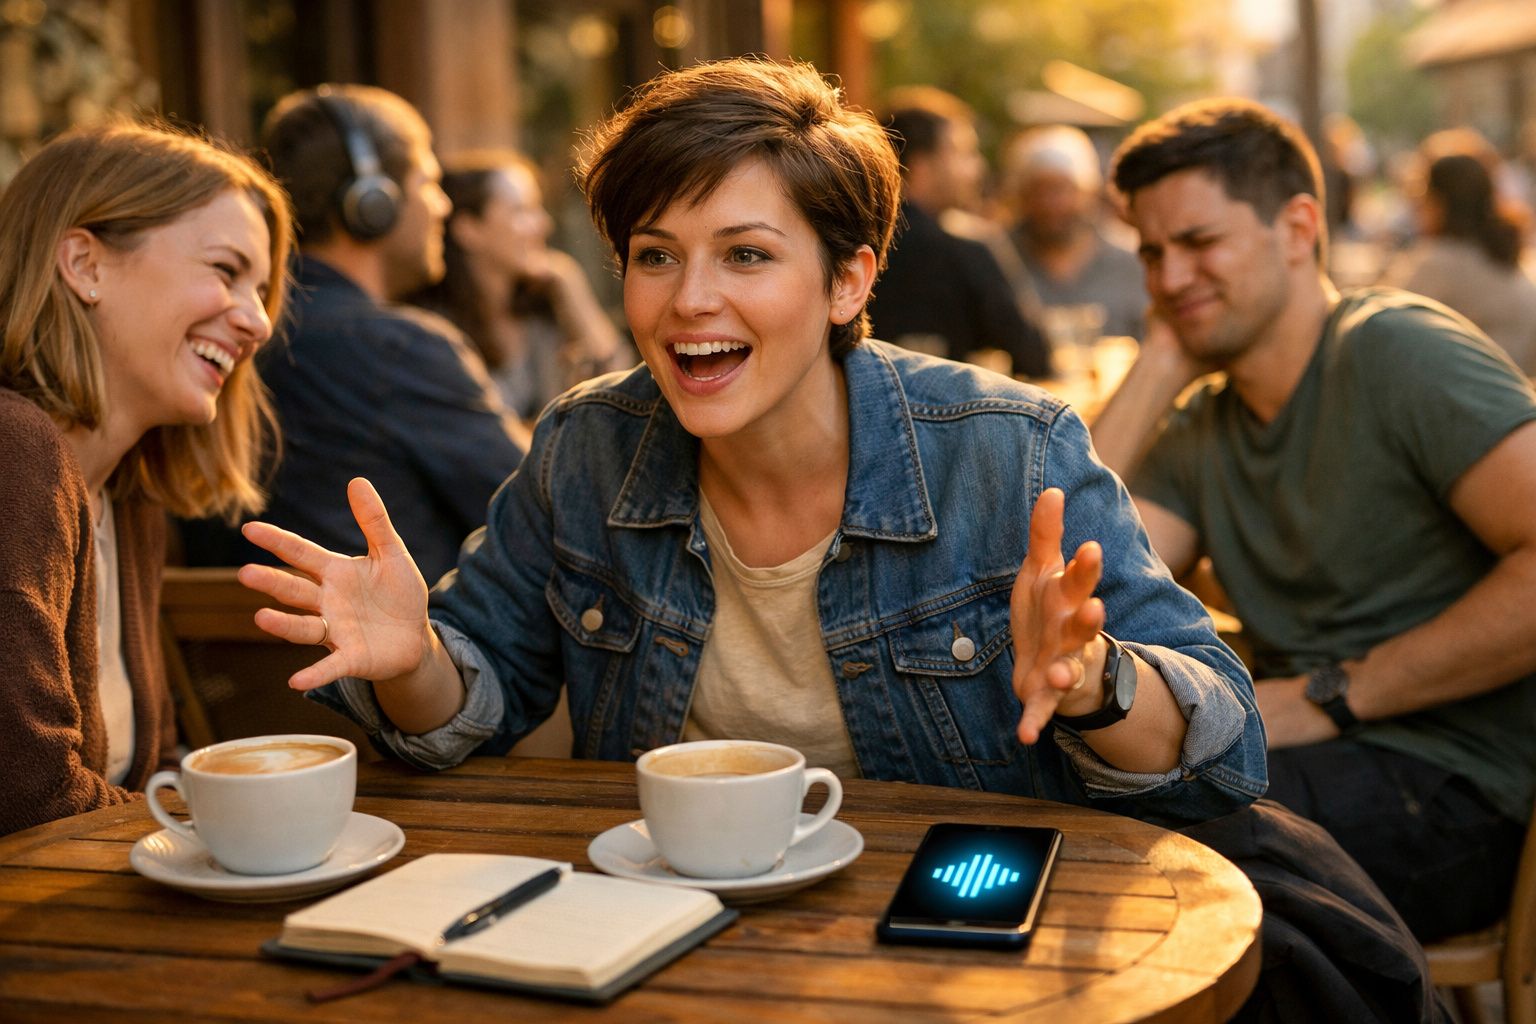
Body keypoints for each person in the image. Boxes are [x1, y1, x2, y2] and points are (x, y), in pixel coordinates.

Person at [237, 57, 1264, 827]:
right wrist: (414, 659)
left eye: (746, 254)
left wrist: (1095, 681)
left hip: (954, 945)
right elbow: (475, 699)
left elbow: (1229, 746)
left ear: (849, 281)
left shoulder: (1011, 449)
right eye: (655, 255)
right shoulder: (588, 445)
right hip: (669, 929)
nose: (690, 300)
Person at [1091, 97, 1536, 941]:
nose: (1169, 278)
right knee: (1081, 818)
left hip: (1462, 789)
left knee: (1156, 865)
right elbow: (1085, 580)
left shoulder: (1396, 350)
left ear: (1298, 227)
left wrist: (1330, 696)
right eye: (1151, 254)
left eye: (1198, 243)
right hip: (1298, 761)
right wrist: (1160, 360)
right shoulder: (1202, 421)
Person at [0, 121, 291, 834]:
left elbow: (147, 767)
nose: (257, 322)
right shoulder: (14, 450)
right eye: (227, 270)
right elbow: (32, 802)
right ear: (84, 264)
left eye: (262, 290)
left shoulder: (126, 497)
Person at [181, 85, 527, 582]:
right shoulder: (399, 348)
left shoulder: (220, 336)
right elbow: (542, 515)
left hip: (238, 655)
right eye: (428, 182)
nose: (443, 207)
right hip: (399, 656)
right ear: (372, 203)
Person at [408, 149, 631, 421]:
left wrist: (571, 284)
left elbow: (620, 382)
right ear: (468, 230)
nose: (544, 225)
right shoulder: (429, 331)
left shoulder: (545, 310)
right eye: (522, 211)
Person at [865, 86, 1050, 378]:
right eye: (965, 154)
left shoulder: (849, 240)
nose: (978, 168)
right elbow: (1033, 355)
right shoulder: (965, 249)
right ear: (921, 166)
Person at [1379, 139, 1536, 374]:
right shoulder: (1501, 250)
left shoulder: (1441, 260)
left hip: (1482, 393)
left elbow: (1379, 325)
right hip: (1517, 392)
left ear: (1438, 201)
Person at [1001, 124, 1145, 341]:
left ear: (1089, 192)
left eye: (1062, 190)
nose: (1050, 204)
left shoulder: (1132, 261)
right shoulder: (997, 258)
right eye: (1038, 191)